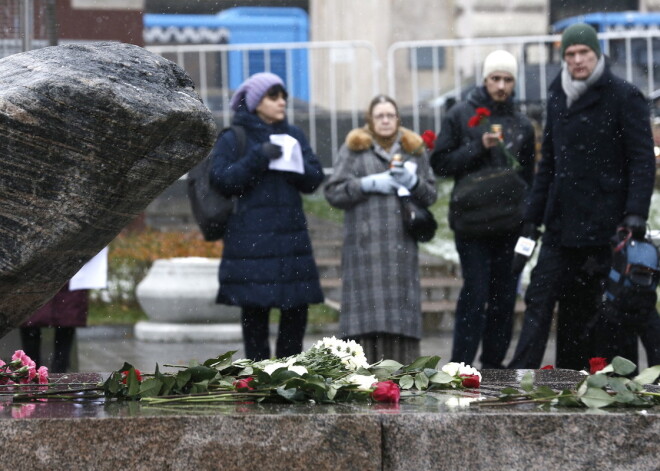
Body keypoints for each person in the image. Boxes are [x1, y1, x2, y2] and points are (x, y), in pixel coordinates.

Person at [508, 23, 656, 370]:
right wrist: (532, 218)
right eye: (570, 54)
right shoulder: (558, 94)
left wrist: (635, 212)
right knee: (541, 298)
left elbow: (641, 160)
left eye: (583, 53)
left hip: (608, 224)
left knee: (615, 307)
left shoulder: (624, 95)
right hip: (562, 224)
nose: (577, 61)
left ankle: (618, 377)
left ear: (597, 54)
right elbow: (549, 164)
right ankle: (522, 375)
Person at [429, 50, 536, 369]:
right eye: (495, 78)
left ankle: (493, 365)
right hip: (472, 224)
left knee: (504, 299)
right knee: (474, 295)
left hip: (509, 224)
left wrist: (529, 219)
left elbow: (528, 176)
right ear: (485, 79)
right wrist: (479, 147)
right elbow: (441, 164)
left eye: (507, 79)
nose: (501, 85)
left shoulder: (521, 124)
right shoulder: (461, 114)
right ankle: (460, 364)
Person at [209, 72, 325, 361]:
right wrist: (259, 156)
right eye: (274, 96)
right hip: (251, 242)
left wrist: (296, 165)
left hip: (291, 241)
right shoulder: (235, 137)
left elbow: (313, 180)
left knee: (295, 311)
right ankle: (257, 378)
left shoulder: (294, 135)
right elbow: (221, 180)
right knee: (254, 313)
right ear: (255, 102)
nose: (282, 102)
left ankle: (291, 373)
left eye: (283, 95)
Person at [324, 95, 437, 364]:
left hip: (401, 248)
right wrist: (367, 184)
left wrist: (413, 180)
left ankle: (403, 373)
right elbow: (333, 192)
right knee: (366, 318)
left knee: (400, 316)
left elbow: (431, 194)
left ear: (398, 119)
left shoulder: (413, 149)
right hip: (364, 250)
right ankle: (363, 374)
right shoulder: (354, 149)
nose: (385, 120)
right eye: (379, 116)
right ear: (370, 121)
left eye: (390, 115)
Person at [20, 247, 108, 373]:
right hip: (46, 266)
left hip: (65, 268)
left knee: (64, 321)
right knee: (32, 321)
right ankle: (34, 372)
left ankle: (53, 372)